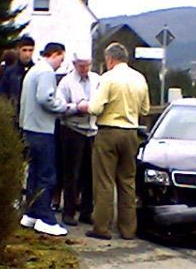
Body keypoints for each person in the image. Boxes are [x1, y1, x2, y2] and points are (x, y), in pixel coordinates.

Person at [78, 42, 150, 240]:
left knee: (104, 181)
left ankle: (102, 227)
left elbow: (95, 108)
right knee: (127, 182)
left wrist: (84, 106)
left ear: (110, 59)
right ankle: (127, 229)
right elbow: (145, 110)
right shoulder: (139, 78)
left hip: (108, 133)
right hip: (131, 134)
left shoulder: (108, 78)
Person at [19, 42, 77, 236]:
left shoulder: (34, 70)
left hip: (29, 128)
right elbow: (46, 99)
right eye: (62, 58)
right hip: (42, 130)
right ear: (56, 54)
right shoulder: (46, 73)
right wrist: (67, 107)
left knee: (34, 174)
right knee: (47, 175)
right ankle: (46, 219)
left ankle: (31, 214)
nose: (62, 63)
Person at [55, 50, 100, 226]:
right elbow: (59, 107)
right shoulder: (66, 82)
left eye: (87, 65)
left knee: (90, 174)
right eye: (81, 66)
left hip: (92, 130)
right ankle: (69, 212)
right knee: (71, 173)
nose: (85, 69)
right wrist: (76, 107)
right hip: (72, 130)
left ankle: (86, 211)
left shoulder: (97, 80)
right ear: (74, 65)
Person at [0, 35, 35, 128]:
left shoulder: (37, 71)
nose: (27, 54)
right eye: (24, 50)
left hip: (32, 119)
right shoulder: (10, 72)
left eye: (30, 50)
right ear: (19, 50)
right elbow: (1, 94)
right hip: (14, 117)